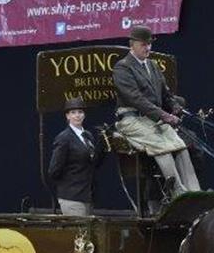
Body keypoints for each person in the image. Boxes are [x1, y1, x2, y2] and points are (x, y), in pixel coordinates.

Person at [111, 26, 201, 198]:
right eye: (144, 44)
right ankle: (178, 193)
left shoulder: (152, 65)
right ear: (132, 45)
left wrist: (174, 106)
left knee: (180, 145)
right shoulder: (122, 68)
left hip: (153, 119)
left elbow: (166, 94)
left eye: (149, 44)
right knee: (162, 146)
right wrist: (164, 115)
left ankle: (195, 192)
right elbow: (135, 99)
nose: (148, 48)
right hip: (131, 120)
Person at [48, 98, 105, 216]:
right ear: (67, 116)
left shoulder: (88, 135)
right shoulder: (64, 138)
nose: (77, 115)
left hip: (87, 195)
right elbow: (54, 170)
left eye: (80, 112)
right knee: (78, 232)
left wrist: (102, 145)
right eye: (73, 112)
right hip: (72, 196)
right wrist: (70, 181)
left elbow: (94, 164)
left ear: (84, 115)